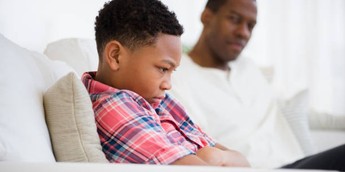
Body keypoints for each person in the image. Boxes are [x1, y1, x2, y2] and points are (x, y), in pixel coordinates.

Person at [169, 0, 345, 171]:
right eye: (234, 19)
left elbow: (286, 109)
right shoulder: (175, 76)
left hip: (298, 164)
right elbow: (193, 143)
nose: (243, 33)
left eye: (250, 26)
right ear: (207, 16)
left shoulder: (249, 68)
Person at [81, 0, 250, 166]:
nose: (168, 84)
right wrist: (215, 158)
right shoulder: (114, 108)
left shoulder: (160, 101)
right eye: (163, 69)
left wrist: (215, 157)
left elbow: (243, 163)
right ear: (116, 56)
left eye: (172, 71)